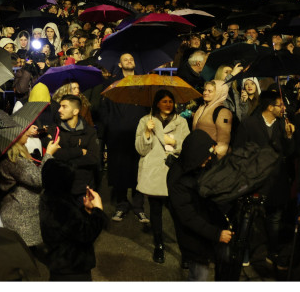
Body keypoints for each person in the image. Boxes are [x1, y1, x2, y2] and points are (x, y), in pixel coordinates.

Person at [233, 88, 296, 265]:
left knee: (274, 218)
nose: (283, 108)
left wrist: (289, 136)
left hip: (276, 180)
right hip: (254, 179)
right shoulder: (249, 124)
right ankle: (243, 252)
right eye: (280, 105)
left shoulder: (283, 124)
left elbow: (290, 153)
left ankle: (272, 251)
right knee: (247, 218)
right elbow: (238, 150)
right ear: (269, 107)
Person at [167, 130, 233, 281]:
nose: (209, 158)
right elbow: (188, 217)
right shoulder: (177, 179)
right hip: (194, 238)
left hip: (213, 227)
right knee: (199, 276)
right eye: (206, 156)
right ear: (195, 156)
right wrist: (216, 234)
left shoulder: (206, 164)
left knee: (224, 267)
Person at [134, 89, 190, 264]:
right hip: (154, 173)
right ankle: (159, 245)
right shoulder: (146, 120)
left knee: (179, 214)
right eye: (164, 101)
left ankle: (185, 250)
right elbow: (140, 150)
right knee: (156, 211)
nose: (168, 104)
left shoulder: (181, 122)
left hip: (174, 173)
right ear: (157, 103)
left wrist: (175, 142)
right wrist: (148, 133)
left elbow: (188, 146)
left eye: (170, 101)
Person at [96, 53, 149, 223]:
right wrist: (109, 127)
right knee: (119, 171)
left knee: (138, 171)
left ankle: (139, 207)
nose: (129, 61)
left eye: (132, 59)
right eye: (125, 59)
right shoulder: (111, 83)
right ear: (119, 64)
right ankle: (121, 205)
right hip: (117, 134)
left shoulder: (142, 82)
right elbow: (104, 109)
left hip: (138, 132)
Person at [39, 158, 108, 281]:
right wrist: (98, 210)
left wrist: (86, 211)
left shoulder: (49, 198)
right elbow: (86, 233)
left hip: (60, 266)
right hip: (72, 270)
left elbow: (72, 228)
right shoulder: (61, 207)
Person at [0, 122, 44, 251]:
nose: (28, 133)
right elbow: (38, 179)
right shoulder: (13, 159)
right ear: (15, 136)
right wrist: (49, 156)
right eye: (24, 131)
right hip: (18, 216)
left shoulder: (20, 154)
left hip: (23, 214)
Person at [192, 80, 233, 158]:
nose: (205, 93)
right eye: (205, 90)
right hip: (197, 155)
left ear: (218, 93)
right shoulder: (201, 108)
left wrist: (216, 164)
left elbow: (223, 143)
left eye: (210, 91)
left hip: (210, 158)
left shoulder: (223, 112)